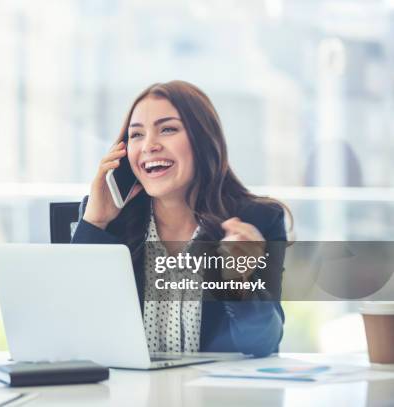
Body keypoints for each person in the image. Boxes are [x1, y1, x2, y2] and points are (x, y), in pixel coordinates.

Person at [71, 80, 291, 357]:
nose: (149, 145)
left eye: (168, 129)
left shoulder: (258, 220)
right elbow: (74, 324)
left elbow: (262, 344)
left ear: (203, 140)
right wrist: (95, 222)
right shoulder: (110, 222)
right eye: (136, 135)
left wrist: (239, 283)